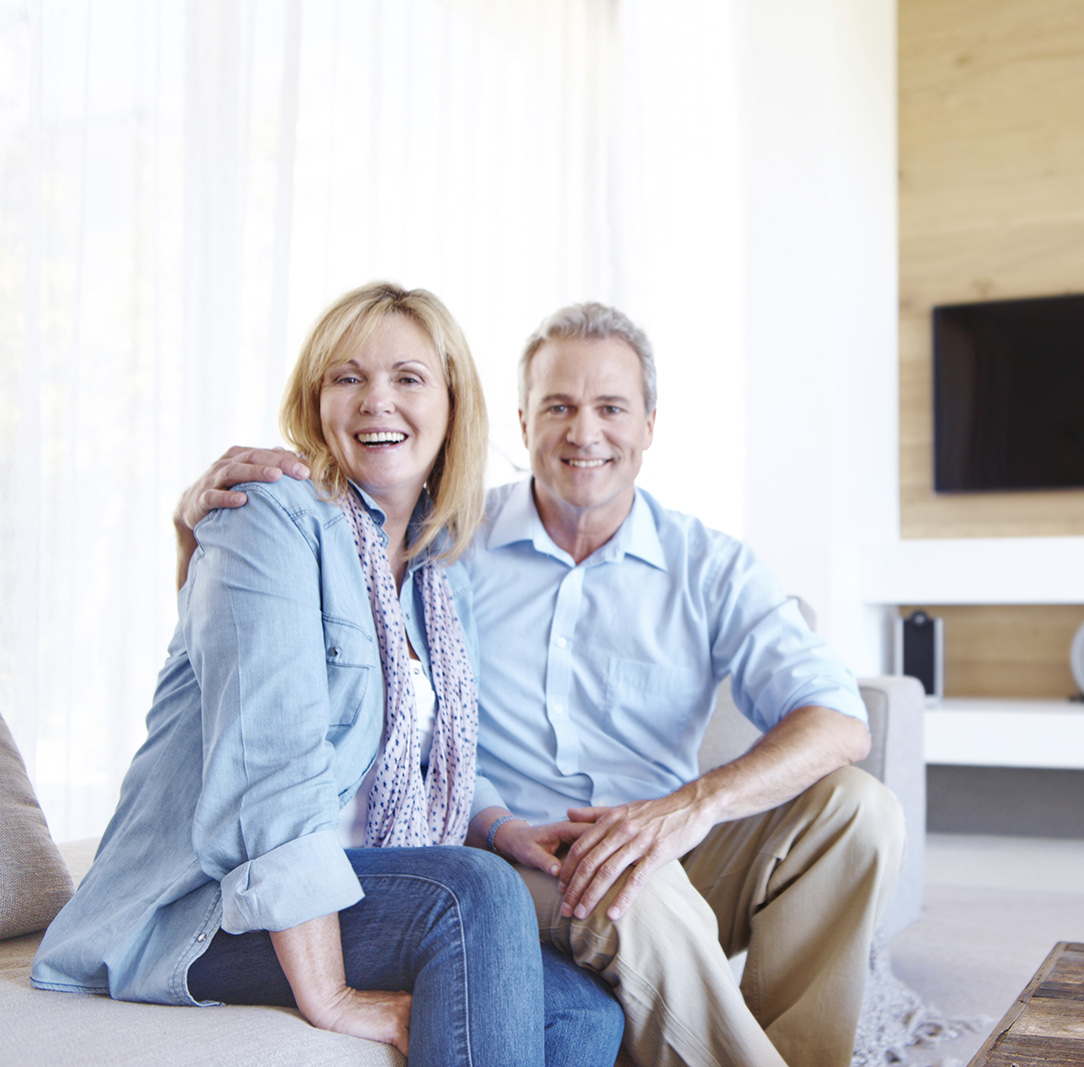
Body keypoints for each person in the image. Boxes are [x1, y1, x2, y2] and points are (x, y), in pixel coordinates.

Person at [175, 302, 906, 1067]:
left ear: (650, 424)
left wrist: (689, 810)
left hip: (671, 844)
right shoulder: (448, 545)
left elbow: (839, 720)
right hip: (522, 865)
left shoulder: (709, 565)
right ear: (522, 424)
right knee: (632, 888)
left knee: (860, 810)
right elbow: (266, 666)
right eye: (559, 407)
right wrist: (195, 533)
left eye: (611, 408)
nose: (584, 433)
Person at [33, 282, 623, 1067]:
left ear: (454, 407)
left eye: (408, 378)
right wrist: (331, 995)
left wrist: (499, 824)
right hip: (203, 909)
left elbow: (412, 754)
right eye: (347, 378)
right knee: (472, 893)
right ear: (316, 404)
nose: (376, 400)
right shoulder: (267, 517)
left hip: (355, 882)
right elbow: (267, 773)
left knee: (585, 1013)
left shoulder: (439, 577)